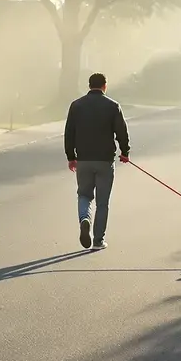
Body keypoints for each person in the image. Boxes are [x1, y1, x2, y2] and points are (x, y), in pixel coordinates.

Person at [64, 72, 130, 250]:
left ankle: (84, 218)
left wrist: (71, 157)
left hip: (83, 159)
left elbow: (69, 133)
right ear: (104, 86)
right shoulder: (113, 106)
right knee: (102, 202)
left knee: (84, 194)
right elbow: (121, 132)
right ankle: (98, 240)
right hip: (105, 161)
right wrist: (125, 152)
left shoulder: (76, 106)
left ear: (89, 85)